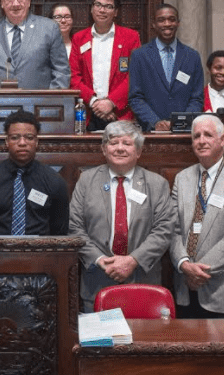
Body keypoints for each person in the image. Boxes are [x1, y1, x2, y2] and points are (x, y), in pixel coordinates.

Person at [69, 121, 175, 311]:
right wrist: (101, 260)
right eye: (113, 142)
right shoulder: (86, 180)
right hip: (97, 280)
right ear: (104, 149)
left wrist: (132, 260)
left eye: (127, 143)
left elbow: (164, 229)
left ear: (138, 151)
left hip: (143, 282)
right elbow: (75, 227)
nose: (119, 148)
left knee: (144, 340)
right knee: (100, 341)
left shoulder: (156, 184)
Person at [169, 114, 224, 318]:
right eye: (196, 136)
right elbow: (172, 229)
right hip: (184, 291)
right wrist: (184, 264)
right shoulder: (182, 179)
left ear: (222, 139)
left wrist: (199, 271)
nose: (201, 141)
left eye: (208, 135)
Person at [0, 110, 70, 236]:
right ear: (7, 141)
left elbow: (59, 230)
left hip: (40, 253)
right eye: (15, 137)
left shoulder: (54, 181)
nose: (22, 143)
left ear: (37, 142)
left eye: (29, 137)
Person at [69, 0, 141, 131]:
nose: (102, 10)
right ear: (92, 8)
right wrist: (95, 102)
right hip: (88, 113)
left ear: (115, 12)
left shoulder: (130, 37)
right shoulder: (79, 38)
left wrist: (111, 102)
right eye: (98, 5)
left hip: (119, 113)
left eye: (108, 7)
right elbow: (73, 76)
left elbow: (135, 75)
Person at [128, 4, 204, 132]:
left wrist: (180, 121)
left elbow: (196, 98)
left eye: (172, 19)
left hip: (184, 132)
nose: (167, 24)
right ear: (154, 24)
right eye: (161, 20)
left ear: (178, 23)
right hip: (150, 131)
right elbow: (135, 97)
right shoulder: (139, 55)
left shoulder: (192, 56)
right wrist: (155, 122)